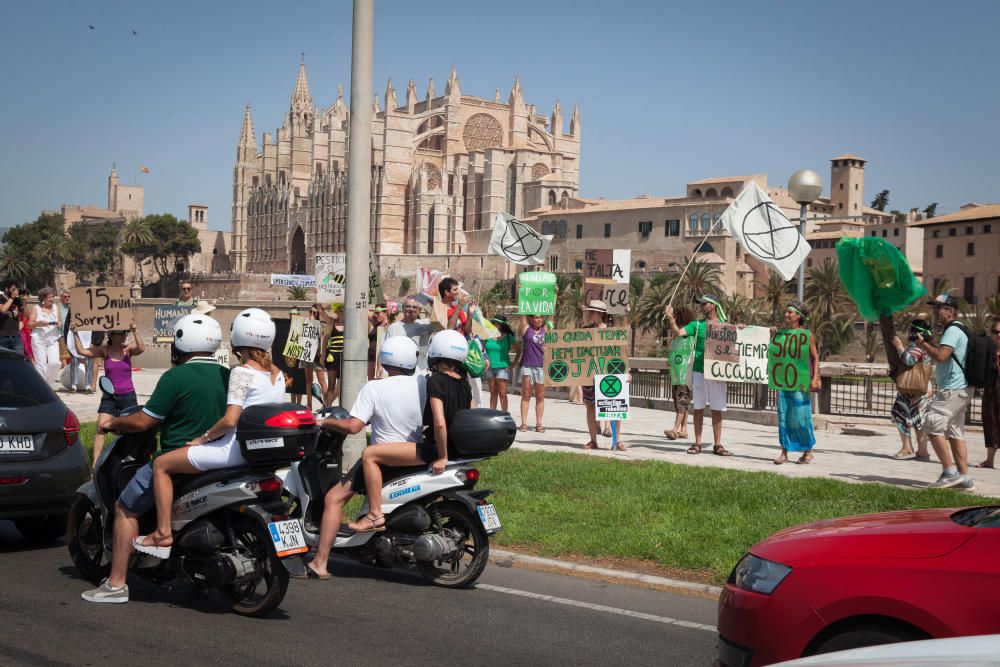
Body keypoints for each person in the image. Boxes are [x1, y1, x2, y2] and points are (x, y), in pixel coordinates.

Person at [81, 314, 228, 603]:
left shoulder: (175, 377)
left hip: (178, 460)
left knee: (124, 508)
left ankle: (116, 584)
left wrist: (114, 424)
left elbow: (144, 422)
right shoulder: (227, 374)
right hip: (218, 459)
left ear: (181, 341)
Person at [134, 309, 283, 558]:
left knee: (161, 465)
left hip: (232, 450)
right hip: (259, 451)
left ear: (237, 337)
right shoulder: (276, 374)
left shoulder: (241, 372)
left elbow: (230, 419)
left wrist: (203, 439)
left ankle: (162, 533)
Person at [299, 336, 426, 579]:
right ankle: (373, 550)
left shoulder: (374, 387)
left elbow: (354, 426)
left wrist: (323, 421)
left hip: (382, 459)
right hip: (413, 455)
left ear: (386, 360)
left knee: (334, 499)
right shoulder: (423, 384)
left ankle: (320, 563)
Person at [347, 330, 471, 533]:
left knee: (369, 454)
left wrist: (442, 456)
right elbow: (466, 416)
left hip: (434, 449)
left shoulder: (435, 381)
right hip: (458, 449)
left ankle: (374, 514)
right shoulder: (465, 385)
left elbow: (439, 423)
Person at [916, 294, 973, 490]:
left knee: (931, 425)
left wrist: (923, 344)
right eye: (934, 308)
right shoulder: (961, 329)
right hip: (962, 388)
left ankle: (949, 473)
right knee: (955, 432)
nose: (935, 312)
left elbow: (941, 356)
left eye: (939, 308)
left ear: (950, 310)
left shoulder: (952, 330)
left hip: (951, 389)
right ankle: (964, 479)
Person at [664, 295, 733, 456]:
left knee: (717, 409)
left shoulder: (725, 326)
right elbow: (678, 332)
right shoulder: (696, 325)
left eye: (705, 303)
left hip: (717, 373)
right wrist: (671, 319)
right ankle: (697, 443)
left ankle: (717, 444)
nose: (702, 306)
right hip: (699, 371)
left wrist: (742, 329)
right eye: (701, 304)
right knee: (699, 408)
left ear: (714, 305)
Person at [70, 322, 145, 464]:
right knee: (101, 428)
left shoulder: (128, 349)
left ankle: (131, 460)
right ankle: (96, 464)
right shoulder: (104, 350)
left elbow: (142, 348)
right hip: (109, 397)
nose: (123, 335)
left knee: (131, 430)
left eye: (124, 333)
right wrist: (75, 333)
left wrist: (135, 331)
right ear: (111, 335)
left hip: (128, 395)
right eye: (120, 333)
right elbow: (82, 351)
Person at [771, 301, 821, 464]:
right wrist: (771, 334)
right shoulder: (780, 333)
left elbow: (814, 357)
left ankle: (808, 451)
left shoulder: (807, 335)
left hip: (799, 382)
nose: (786, 315)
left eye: (790, 312)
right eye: (786, 312)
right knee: (783, 416)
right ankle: (784, 452)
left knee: (801, 416)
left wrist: (815, 377)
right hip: (783, 382)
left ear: (798, 316)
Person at [888, 319, 934, 461]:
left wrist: (899, 346)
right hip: (920, 388)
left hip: (915, 390)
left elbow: (908, 360)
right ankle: (921, 451)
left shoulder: (918, 347)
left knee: (905, 416)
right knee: (917, 419)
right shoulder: (925, 346)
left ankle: (909, 448)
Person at [579, 300, 611, 449]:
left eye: (591, 311)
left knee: (612, 407)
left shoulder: (612, 332)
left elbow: (620, 354)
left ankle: (616, 440)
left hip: (607, 375)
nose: (589, 314)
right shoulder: (585, 331)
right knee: (590, 406)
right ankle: (593, 440)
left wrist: (627, 371)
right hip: (589, 375)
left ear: (599, 313)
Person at [664, 306, 694, 442]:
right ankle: (684, 430)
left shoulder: (687, 331)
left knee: (682, 402)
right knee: (681, 402)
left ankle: (675, 430)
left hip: (684, 374)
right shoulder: (678, 335)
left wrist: (670, 318)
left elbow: (677, 331)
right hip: (676, 374)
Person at [512, 313, 546, 433]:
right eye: (536, 317)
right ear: (531, 319)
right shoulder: (526, 329)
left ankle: (539, 423)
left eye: (541, 317)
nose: (539, 319)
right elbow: (523, 312)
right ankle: (524, 423)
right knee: (526, 395)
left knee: (540, 396)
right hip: (527, 366)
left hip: (541, 367)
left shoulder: (546, 330)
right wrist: (524, 298)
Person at [976, 318, 1000, 469]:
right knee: (990, 424)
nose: (999, 335)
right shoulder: (987, 351)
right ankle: (989, 460)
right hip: (991, 392)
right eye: (996, 332)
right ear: (991, 334)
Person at [386, 297, 433, 372]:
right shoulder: (393, 327)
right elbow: (385, 348)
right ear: (403, 308)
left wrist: (432, 304)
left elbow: (442, 324)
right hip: (398, 368)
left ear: (419, 310)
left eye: (414, 307)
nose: (411, 309)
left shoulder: (426, 324)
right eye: (408, 306)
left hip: (420, 369)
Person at [61, 290, 94, 391]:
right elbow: (67, 325)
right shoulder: (72, 310)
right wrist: (67, 340)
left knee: (89, 361)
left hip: (88, 340)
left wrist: (95, 341)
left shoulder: (93, 311)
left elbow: (97, 326)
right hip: (75, 338)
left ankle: (88, 385)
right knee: (74, 361)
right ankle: (73, 385)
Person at [27, 286, 62, 380]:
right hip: (39, 339)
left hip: (53, 339)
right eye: (49, 297)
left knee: (55, 363)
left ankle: (46, 384)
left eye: (52, 296)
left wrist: (59, 323)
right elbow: (29, 325)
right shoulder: (36, 308)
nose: (51, 299)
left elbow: (59, 321)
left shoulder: (56, 307)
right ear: (43, 298)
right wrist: (38, 323)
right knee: (40, 365)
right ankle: (42, 388)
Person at [485, 315, 517, 411]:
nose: (495, 325)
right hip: (489, 368)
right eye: (494, 323)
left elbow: (519, 350)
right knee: (493, 393)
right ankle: (492, 414)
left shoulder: (508, 337)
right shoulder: (488, 336)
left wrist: (513, 364)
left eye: (497, 323)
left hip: (503, 368)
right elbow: (483, 350)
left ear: (501, 325)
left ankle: (504, 415)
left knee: (503, 394)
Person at [300, 304, 328, 409]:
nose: (312, 314)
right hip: (307, 354)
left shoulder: (321, 325)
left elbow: (322, 337)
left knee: (321, 380)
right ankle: (309, 404)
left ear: (318, 313)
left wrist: (313, 323)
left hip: (317, 355)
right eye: (310, 312)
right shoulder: (305, 324)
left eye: (314, 312)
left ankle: (326, 404)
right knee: (308, 380)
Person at [321, 304, 345, 405]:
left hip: (345, 358)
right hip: (332, 357)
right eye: (339, 310)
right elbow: (325, 339)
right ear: (336, 312)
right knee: (331, 385)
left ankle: (342, 407)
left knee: (343, 386)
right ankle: (328, 408)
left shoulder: (350, 324)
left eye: (343, 310)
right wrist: (323, 355)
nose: (341, 311)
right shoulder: (331, 323)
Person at [0, 279, 25, 355]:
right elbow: (3, 310)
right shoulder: (1, 298)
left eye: (16, 289)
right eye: (13, 289)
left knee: (19, 362)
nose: (15, 291)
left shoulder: (17, 300)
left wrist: (24, 302)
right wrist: (12, 298)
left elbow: (25, 315)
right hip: (2, 337)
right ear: (6, 289)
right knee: (4, 364)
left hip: (16, 336)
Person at [368, 304, 389, 380]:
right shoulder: (376, 324)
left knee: (380, 380)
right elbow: (366, 313)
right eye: (375, 312)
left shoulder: (388, 326)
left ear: (385, 313)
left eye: (378, 313)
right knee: (371, 382)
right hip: (371, 357)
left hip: (380, 358)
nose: (375, 315)